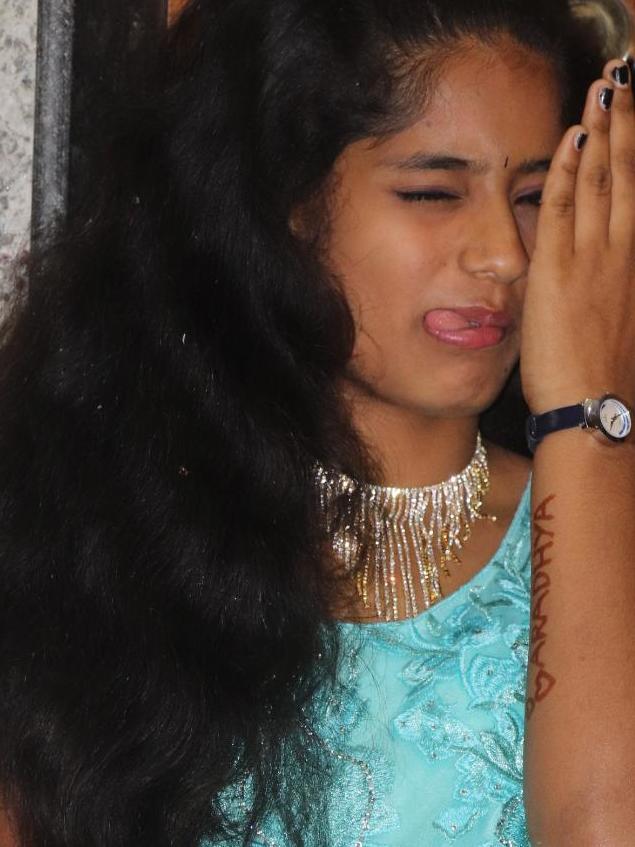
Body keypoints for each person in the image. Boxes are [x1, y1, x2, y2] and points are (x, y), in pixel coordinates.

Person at [0, 0, 634, 844]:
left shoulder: (607, 533)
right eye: (432, 192)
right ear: (282, 210)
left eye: (531, 196)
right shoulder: (102, 544)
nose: (503, 254)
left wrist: (588, 414)